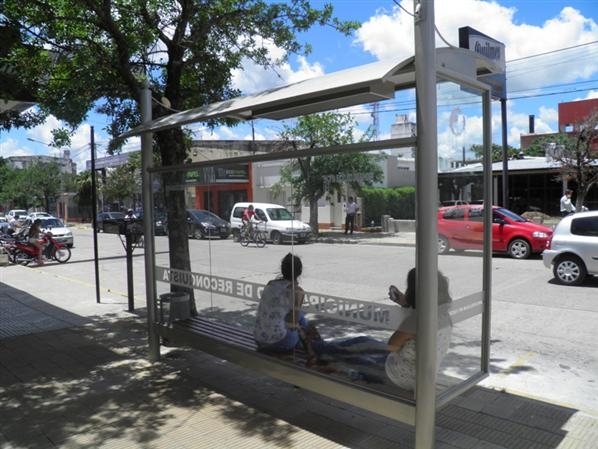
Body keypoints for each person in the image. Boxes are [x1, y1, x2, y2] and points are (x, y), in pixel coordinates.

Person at [312, 268, 453, 390]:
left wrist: (367, 347)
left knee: (357, 352)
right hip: (420, 374)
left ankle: (316, 347)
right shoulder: (443, 315)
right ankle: (321, 348)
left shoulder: (415, 320)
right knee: (362, 344)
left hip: (398, 376)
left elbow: (390, 346)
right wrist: (405, 303)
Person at [254, 253, 315, 359]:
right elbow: (292, 324)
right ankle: (315, 348)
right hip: (279, 343)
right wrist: (300, 330)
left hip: (259, 339)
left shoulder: (271, 284)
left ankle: (313, 345)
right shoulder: (297, 291)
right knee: (301, 321)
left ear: (282, 270)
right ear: (299, 272)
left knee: (300, 317)